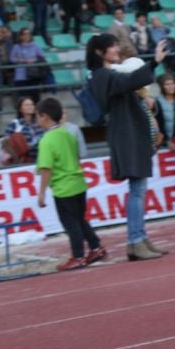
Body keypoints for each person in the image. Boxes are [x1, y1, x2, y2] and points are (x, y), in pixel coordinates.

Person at [87, 33, 169, 261]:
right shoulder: (103, 75)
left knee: (139, 190)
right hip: (127, 137)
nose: (117, 50)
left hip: (131, 135)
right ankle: (134, 240)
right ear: (99, 52)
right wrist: (154, 62)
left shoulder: (107, 74)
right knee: (137, 190)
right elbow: (130, 81)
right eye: (112, 47)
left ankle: (140, 238)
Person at [35, 97, 106, 272]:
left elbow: (46, 168)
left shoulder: (47, 140)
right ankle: (96, 247)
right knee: (80, 219)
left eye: (38, 116)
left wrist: (41, 193)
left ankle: (78, 256)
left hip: (63, 187)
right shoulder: (68, 133)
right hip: (78, 183)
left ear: (45, 116)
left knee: (70, 223)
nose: (37, 120)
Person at [10, 29, 48, 102]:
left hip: (33, 75)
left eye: (29, 33)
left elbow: (42, 56)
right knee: (24, 99)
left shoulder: (35, 46)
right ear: (21, 36)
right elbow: (12, 58)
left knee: (35, 98)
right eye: (25, 34)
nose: (27, 35)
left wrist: (34, 59)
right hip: (21, 75)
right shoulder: (16, 46)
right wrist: (21, 60)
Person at [4, 96, 45, 162]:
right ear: (20, 109)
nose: (30, 107)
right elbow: (5, 142)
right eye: (26, 105)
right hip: (23, 162)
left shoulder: (40, 122)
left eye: (32, 104)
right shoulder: (15, 123)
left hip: (41, 158)